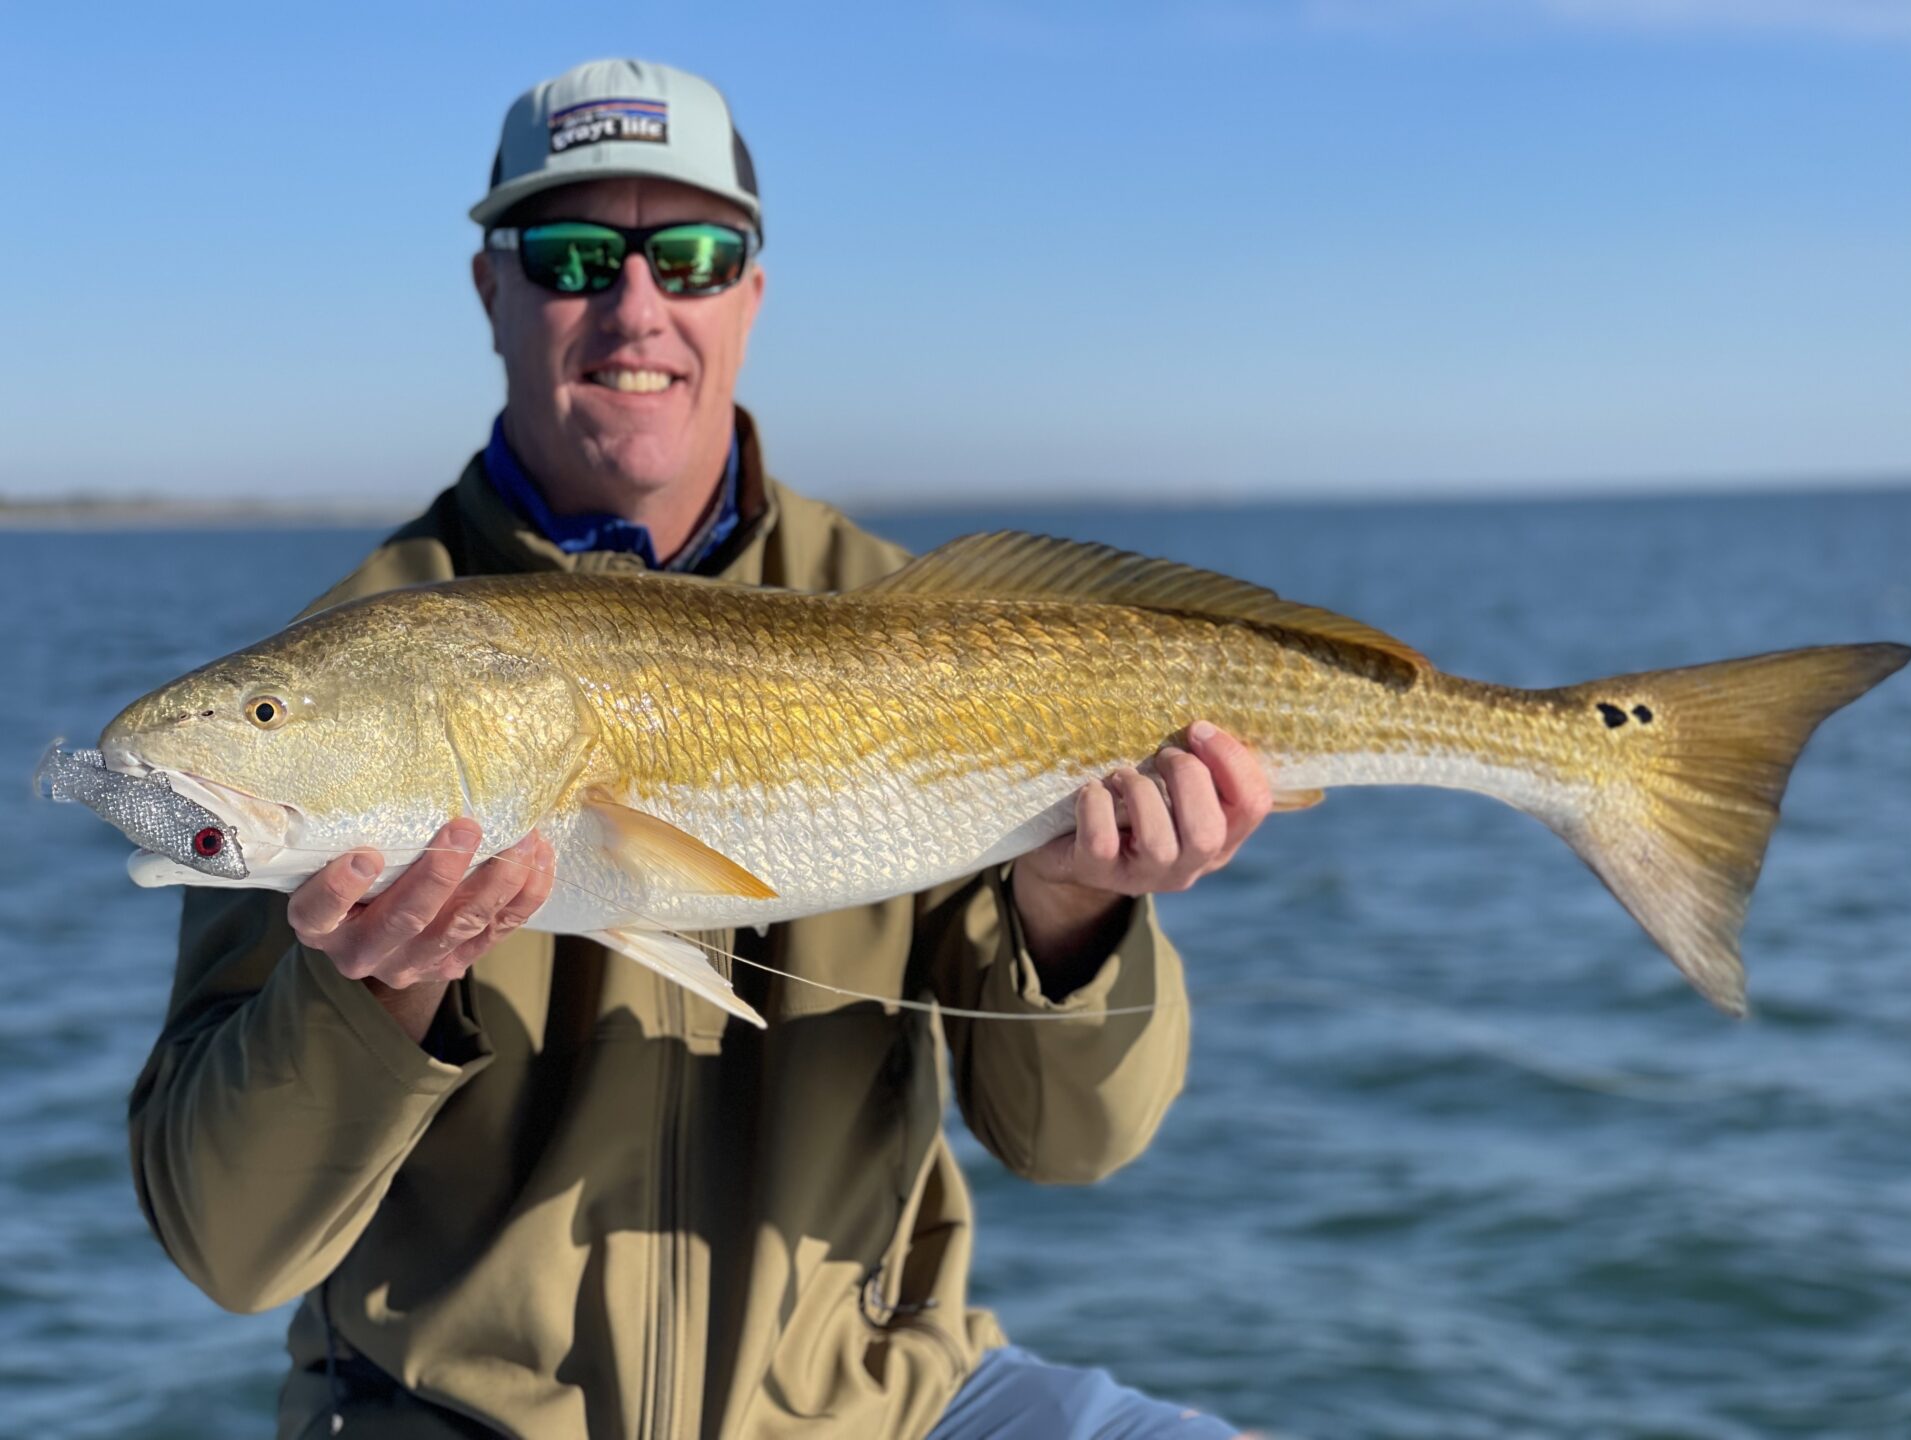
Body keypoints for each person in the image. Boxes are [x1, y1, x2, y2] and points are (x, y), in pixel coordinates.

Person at [129, 59, 1273, 1440]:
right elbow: (226, 1248)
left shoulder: (918, 621)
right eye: (569, 256)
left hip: (889, 1409)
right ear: (490, 292)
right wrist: (367, 1004)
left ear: (751, 294)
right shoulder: (349, 665)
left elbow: (1077, 1146)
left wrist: (1080, 913)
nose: (635, 307)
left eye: (689, 254)